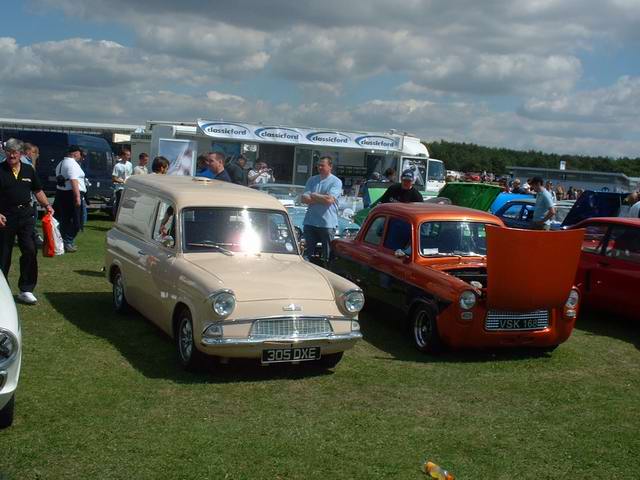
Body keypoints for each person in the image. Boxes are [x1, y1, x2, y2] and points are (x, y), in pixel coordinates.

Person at [0, 138, 54, 304]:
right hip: (4, 217)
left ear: (21, 153)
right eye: (9, 151)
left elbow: (37, 190)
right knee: (3, 254)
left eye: (15, 152)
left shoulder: (29, 170)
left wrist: (47, 205)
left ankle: (26, 289)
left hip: (25, 215)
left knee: (30, 250)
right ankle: (2, 291)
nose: (12, 154)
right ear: (4, 152)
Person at [301, 156, 342, 263]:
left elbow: (329, 200)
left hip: (327, 224)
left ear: (330, 166)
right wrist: (322, 198)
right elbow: (304, 198)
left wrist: (313, 195)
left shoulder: (336, 182)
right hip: (310, 222)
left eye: (322, 165)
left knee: (327, 255)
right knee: (307, 255)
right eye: (318, 165)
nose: (319, 167)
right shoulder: (312, 180)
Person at [53, 145, 87, 252]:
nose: (81, 157)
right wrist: (77, 197)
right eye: (80, 154)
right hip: (71, 194)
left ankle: (63, 241)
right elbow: (73, 180)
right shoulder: (72, 164)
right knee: (78, 220)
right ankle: (68, 241)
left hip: (61, 193)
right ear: (76, 153)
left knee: (64, 220)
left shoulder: (61, 163)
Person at [112, 148, 133, 216]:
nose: (129, 157)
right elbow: (114, 178)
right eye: (127, 155)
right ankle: (117, 218)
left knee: (126, 205)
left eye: (129, 155)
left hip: (128, 187)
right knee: (120, 204)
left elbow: (130, 175)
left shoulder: (130, 164)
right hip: (120, 188)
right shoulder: (117, 166)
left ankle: (124, 217)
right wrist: (122, 181)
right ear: (123, 156)